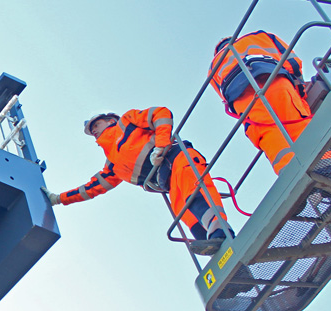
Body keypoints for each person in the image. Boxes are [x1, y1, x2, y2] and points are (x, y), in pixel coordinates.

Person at [42, 109, 234, 256]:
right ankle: (220, 254)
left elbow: (161, 113)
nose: (93, 129)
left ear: (111, 120)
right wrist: (58, 199)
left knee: (195, 194)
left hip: (178, 158)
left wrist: (161, 144)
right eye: (91, 130)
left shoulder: (127, 121)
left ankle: (221, 234)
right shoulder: (113, 165)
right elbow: (91, 189)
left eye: (96, 124)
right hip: (167, 181)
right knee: (186, 213)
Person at [209, 31, 312, 174]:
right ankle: (325, 164)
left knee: (269, 134)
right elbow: (292, 62)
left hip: (244, 101)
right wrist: (300, 90)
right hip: (274, 80)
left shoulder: (214, 66)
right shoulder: (260, 36)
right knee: (296, 121)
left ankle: (291, 174)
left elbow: (225, 99)